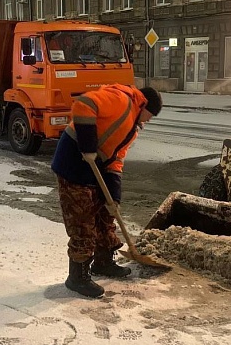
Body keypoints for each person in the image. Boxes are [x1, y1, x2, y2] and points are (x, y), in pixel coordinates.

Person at [51, 84, 163, 298]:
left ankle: (103, 262)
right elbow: (84, 104)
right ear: (144, 104)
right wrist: (88, 146)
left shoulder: (132, 129)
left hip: (96, 168)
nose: (149, 120)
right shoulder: (121, 100)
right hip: (73, 163)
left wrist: (114, 197)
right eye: (151, 115)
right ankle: (77, 277)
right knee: (82, 219)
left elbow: (117, 161)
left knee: (105, 215)